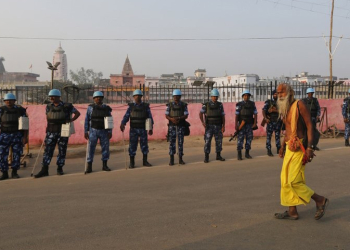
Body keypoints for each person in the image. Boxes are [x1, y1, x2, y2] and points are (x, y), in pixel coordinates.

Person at [274, 83, 328, 220]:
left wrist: (310, 147)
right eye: (278, 93)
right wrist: (282, 146)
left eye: (282, 92)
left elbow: (310, 125)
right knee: (285, 180)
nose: (279, 95)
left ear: (289, 92)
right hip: (289, 146)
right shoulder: (285, 108)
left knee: (294, 181)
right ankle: (292, 211)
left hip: (300, 148)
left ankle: (320, 200)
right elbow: (287, 130)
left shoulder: (300, 105)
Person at [34, 89, 80, 178]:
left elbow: (77, 113)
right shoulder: (48, 106)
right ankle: (44, 169)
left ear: (59, 97)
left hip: (63, 130)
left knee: (62, 150)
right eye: (51, 96)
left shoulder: (67, 106)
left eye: (54, 96)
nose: (52, 98)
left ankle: (60, 168)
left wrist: (71, 120)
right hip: (51, 131)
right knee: (48, 151)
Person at [120, 89, 153, 168]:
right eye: (136, 96)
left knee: (144, 145)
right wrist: (122, 123)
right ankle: (132, 163)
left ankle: (145, 161)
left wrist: (151, 128)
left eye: (139, 95)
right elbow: (126, 116)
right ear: (133, 97)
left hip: (143, 129)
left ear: (141, 96)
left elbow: (150, 117)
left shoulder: (145, 107)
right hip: (133, 129)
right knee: (132, 146)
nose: (137, 97)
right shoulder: (131, 107)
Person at [0, 93, 28, 180]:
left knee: (17, 154)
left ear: (14, 101)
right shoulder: (1, 110)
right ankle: (4, 173)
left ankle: (14, 172)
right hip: (4, 135)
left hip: (17, 135)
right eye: (7, 100)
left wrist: (25, 137)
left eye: (11, 100)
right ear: (4, 101)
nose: (9, 102)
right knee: (2, 155)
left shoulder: (20, 110)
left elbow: (25, 124)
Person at [84, 91, 112, 173]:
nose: (98, 99)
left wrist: (110, 131)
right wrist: (86, 131)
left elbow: (109, 119)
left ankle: (105, 165)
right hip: (93, 130)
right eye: (96, 97)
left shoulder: (106, 108)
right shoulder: (90, 108)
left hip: (104, 131)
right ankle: (89, 166)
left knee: (105, 148)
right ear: (94, 99)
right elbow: (87, 120)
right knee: (91, 149)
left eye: (100, 97)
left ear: (102, 98)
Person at [199, 88, 225, 163]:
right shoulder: (206, 105)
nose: (215, 97)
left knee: (219, 141)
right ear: (211, 96)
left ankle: (218, 155)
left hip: (218, 125)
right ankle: (206, 156)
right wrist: (203, 123)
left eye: (216, 96)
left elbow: (223, 116)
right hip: (209, 126)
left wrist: (224, 126)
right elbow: (200, 113)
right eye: (214, 96)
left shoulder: (220, 105)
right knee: (207, 141)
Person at [166, 89, 189, 165]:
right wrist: (172, 119)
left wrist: (179, 118)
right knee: (172, 142)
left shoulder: (183, 105)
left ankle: (180, 159)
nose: (176, 97)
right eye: (174, 96)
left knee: (180, 142)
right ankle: (171, 159)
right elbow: (166, 115)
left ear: (180, 97)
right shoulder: (170, 105)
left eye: (177, 96)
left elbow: (186, 115)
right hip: (172, 126)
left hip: (180, 125)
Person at [235, 89, 257, 160]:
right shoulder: (239, 104)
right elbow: (237, 115)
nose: (246, 97)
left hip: (249, 124)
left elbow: (255, 114)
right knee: (240, 139)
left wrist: (255, 123)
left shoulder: (252, 104)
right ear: (243, 96)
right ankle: (239, 154)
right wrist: (236, 124)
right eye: (245, 95)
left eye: (247, 95)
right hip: (242, 124)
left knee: (249, 139)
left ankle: (247, 153)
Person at [262, 90, 282, 156]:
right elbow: (263, 110)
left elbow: (282, 111)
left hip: (277, 121)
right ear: (273, 95)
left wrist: (275, 110)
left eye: (277, 94)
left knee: (277, 136)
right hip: (270, 121)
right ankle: (269, 150)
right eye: (275, 94)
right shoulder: (268, 102)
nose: (276, 95)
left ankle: (278, 149)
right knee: (269, 137)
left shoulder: (280, 102)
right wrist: (265, 118)